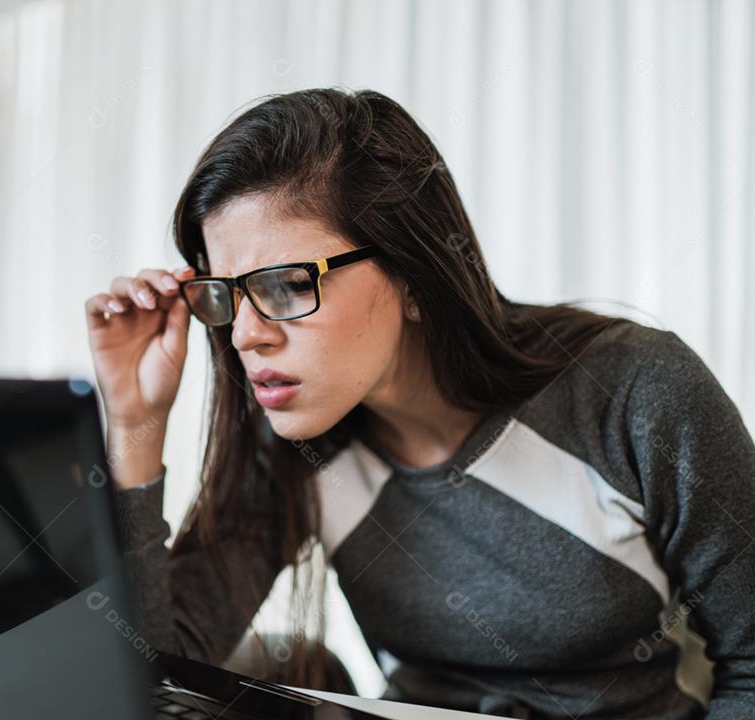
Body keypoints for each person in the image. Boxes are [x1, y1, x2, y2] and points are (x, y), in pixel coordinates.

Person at [83, 87, 755, 719]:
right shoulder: (297, 448)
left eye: (287, 285)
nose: (246, 334)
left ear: (414, 276)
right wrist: (136, 426)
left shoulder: (635, 393)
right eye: (224, 294)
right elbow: (152, 674)